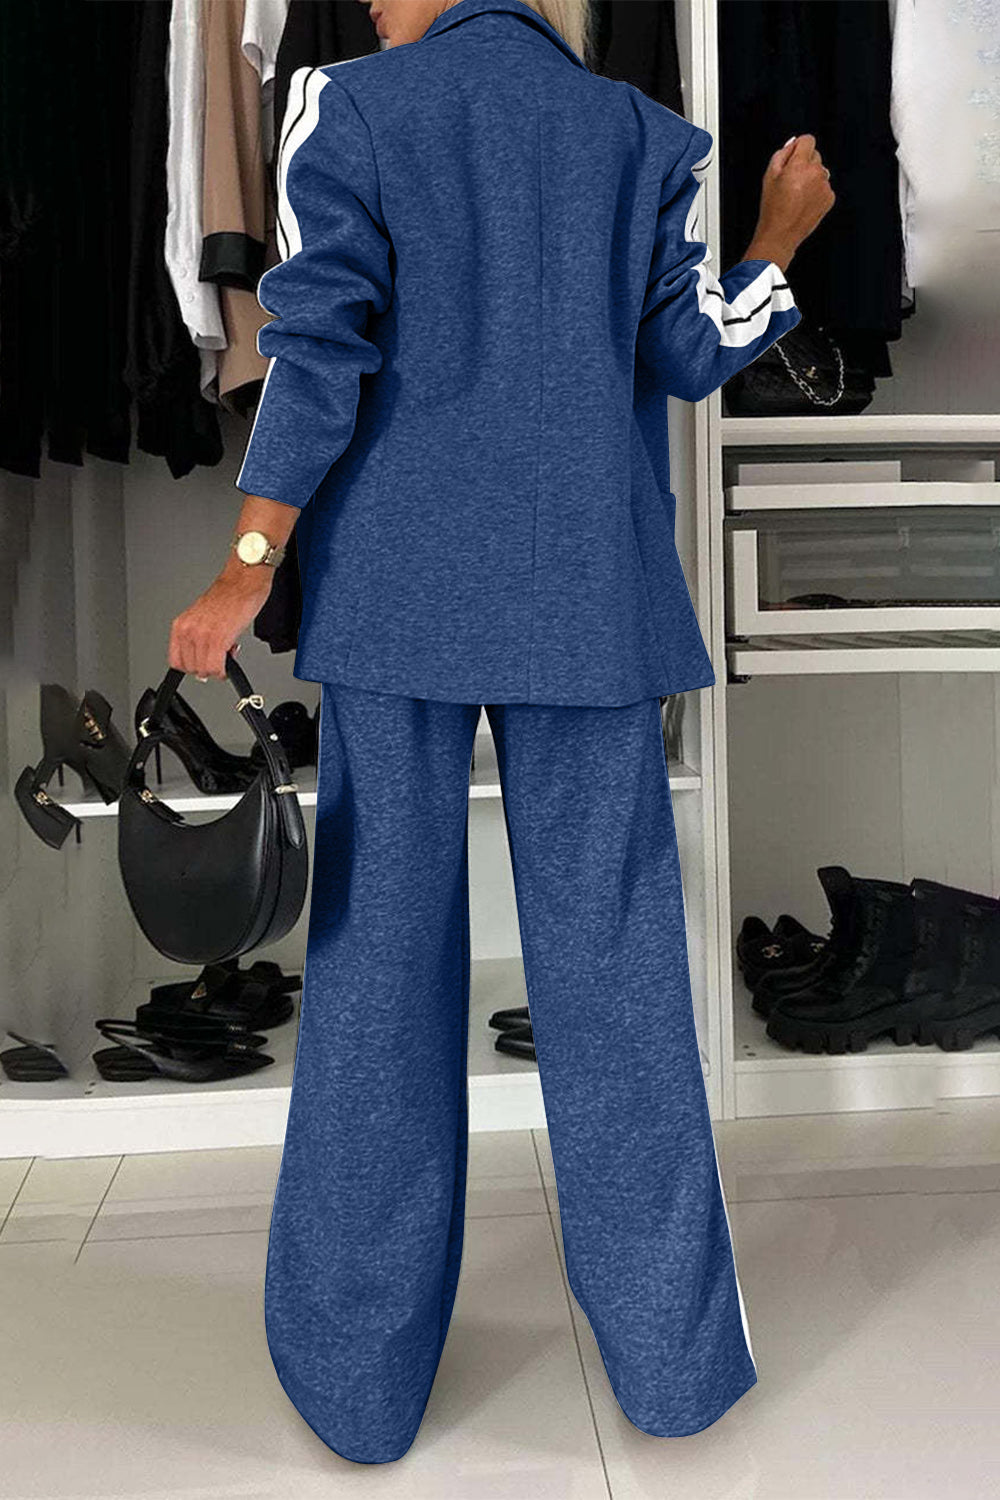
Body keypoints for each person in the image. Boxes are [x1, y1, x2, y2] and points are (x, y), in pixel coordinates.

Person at [169, 0, 834, 1466]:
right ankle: (670, 1372)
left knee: (378, 980)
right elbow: (688, 352)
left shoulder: (354, 107)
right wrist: (778, 244)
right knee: (619, 980)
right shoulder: (640, 135)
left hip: (398, 606)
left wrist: (249, 563)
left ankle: (358, 1388)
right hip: (588, 601)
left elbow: (316, 349)